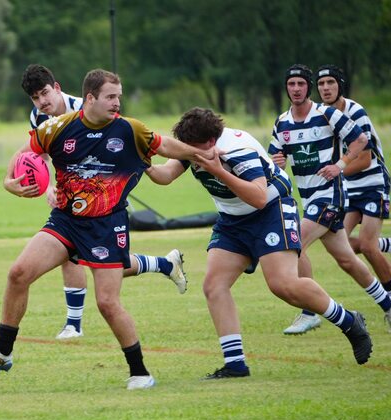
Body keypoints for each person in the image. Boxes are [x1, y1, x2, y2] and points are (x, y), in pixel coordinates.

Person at [0, 69, 213, 390]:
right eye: (111, 97)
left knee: (107, 303)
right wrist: (8, 182)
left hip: (106, 225)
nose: (117, 102)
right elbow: (25, 153)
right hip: (66, 220)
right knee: (18, 273)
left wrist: (201, 154)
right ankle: (3, 352)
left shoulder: (130, 129)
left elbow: (166, 146)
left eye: (119, 96)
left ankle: (140, 373)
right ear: (91, 98)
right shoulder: (56, 127)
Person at [146, 107, 373, 379]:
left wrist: (218, 171)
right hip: (232, 219)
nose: (188, 152)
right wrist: (142, 162)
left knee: (283, 285)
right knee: (214, 286)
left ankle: (349, 321)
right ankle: (235, 365)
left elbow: (259, 197)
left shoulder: (238, 151)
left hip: (271, 211)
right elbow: (165, 176)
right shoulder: (194, 148)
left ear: (211, 142)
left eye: (192, 147)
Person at [16, 64, 187, 340]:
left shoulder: (84, 108)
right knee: (83, 256)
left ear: (57, 88)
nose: (42, 101)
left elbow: (118, 137)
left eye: (45, 93)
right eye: (35, 97)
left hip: (106, 195)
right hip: (74, 197)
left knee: (91, 260)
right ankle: (165, 265)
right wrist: (49, 187)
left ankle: (74, 325)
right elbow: (42, 156)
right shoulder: (38, 117)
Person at [268, 64, 391, 335]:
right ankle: (388, 303)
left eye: (301, 84)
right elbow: (276, 158)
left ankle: (310, 312)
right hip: (308, 198)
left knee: (295, 244)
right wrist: (277, 162)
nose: (296, 89)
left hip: (330, 196)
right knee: (348, 260)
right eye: (291, 84)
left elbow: (361, 140)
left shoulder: (327, 114)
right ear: (286, 88)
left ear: (308, 87)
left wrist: (340, 165)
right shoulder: (282, 122)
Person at [313, 64, 391, 333]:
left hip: (373, 183)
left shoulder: (355, 112)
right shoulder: (321, 115)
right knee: (342, 247)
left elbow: (365, 158)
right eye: (321, 84)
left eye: (330, 83)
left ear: (340, 85)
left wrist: (335, 170)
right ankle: (384, 245)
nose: (325, 88)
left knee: (367, 246)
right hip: (347, 187)